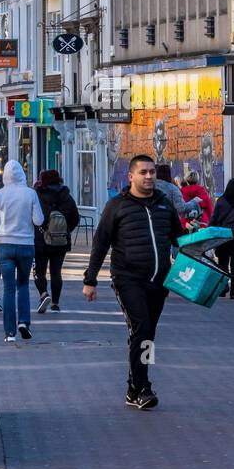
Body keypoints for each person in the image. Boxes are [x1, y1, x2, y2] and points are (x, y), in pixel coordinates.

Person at [83, 154, 183, 410]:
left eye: (152, 172)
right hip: (128, 279)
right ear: (131, 176)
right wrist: (90, 279)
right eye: (143, 172)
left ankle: (133, 384)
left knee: (147, 334)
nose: (149, 176)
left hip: (159, 280)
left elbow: (178, 239)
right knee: (141, 327)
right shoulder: (117, 206)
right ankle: (143, 387)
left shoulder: (163, 204)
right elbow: (100, 243)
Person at [0, 160, 44, 341]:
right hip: (26, 245)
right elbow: (39, 220)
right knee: (23, 284)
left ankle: (9, 333)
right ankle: (24, 322)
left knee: (8, 288)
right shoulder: (30, 194)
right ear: (22, 174)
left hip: (5, 246)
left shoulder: (0, 195)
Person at [33, 168, 80, 312]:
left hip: (41, 239)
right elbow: (75, 218)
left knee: (39, 270)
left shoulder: (37, 195)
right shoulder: (67, 196)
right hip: (61, 241)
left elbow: (33, 217)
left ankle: (43, 294)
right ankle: (55, 302)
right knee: (56, 271)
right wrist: (65, 231)